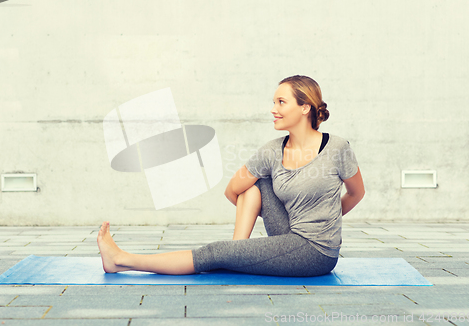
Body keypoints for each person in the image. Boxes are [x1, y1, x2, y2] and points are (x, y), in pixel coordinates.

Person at [97, 75, 365, 276]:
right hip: (288, 232)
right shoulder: (271, 151)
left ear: (305, 107)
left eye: (281, 102)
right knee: (255, 184)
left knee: (214, 252)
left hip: (316, 251)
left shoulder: (337, 148)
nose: (274, 108)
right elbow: (232, 190)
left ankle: (121, 260)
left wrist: (327, 219)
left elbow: (356, 193)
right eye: (274, 102)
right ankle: (237, 250)